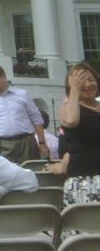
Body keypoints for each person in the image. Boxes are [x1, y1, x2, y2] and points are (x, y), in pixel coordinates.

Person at [47, 63, 100, 213]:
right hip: (83, 179)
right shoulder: (68, 106)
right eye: (81, 81)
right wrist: (74, 91)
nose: (88, 84)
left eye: (91, 79)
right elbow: (71, 121)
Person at [0, 65, 49, 163]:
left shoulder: (23, 95)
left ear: (3, 77)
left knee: (31, 173)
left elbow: (37, 119)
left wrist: (42, 143)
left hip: (27, 143)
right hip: (3, 145)